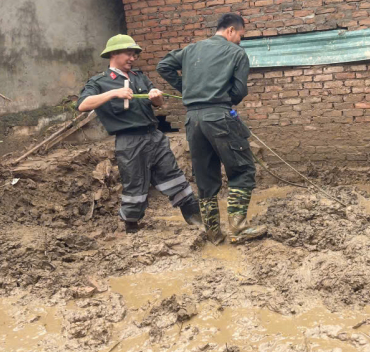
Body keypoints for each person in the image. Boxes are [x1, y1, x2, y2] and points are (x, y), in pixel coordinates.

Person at [157, 14, 266, 245]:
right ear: (230, 31)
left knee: (205, 178)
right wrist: (222, 98)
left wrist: (186, 88)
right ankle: (237, 227)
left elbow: (163, 65)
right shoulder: (236, 53)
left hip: (193, 120)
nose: (239, 41)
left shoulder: (190, 50)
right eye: (240, 36)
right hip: (220, 116)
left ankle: (214, 234)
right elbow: (239, 91)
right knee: (243, 170)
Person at [77, 35, 201, 233]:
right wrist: (113, 93)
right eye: (128, 54)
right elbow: (83, 105)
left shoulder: (139, 77)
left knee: (174, 176)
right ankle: (132, 226)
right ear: (113, 54)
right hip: (129, 141)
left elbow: (159, 104)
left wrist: (157, 97)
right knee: (135, 185)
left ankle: (195, 219)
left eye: (134, 54)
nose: (132, 58)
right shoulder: (100, 82)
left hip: (154, 136)